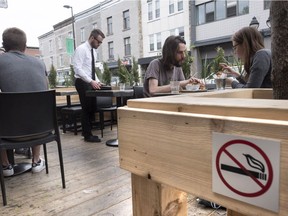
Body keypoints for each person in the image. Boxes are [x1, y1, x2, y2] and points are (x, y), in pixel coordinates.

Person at [0, 27, 48, 176]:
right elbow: (45, 91)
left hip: (10, 134)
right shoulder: (40, 63)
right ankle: (36, 161)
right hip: (43, 131)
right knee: (36, 106)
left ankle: (5, 165)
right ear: (25, 46)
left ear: (3, 45)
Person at [73, 29, 105, 142]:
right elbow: (77, 68)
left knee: (92, 107)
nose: (99, 44)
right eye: (98, 42)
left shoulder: (93, 52)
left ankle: (86, 131)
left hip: (89, 81)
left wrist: (97, 80)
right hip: (81, 82)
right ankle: (87, 135)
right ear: (92, 38)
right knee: (86, 108)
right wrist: (90, 81)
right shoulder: (81, 49)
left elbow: (91, 70)